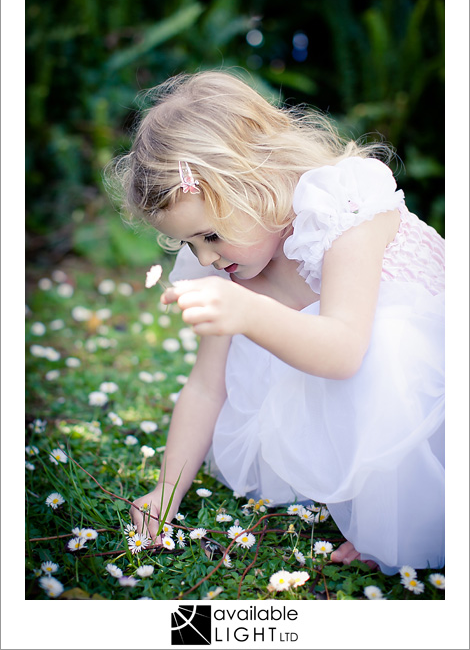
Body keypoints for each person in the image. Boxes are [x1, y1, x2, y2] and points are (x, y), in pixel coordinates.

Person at [108, 70, 444, 575]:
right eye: (189, 244)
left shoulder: (344, 207)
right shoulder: (229, 264)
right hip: (364, 380)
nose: (206, 257)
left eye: (211, 235)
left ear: (255, 185)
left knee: (387, 344)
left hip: (440, 388)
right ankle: (376, 498)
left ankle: (413, 510)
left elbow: (347, 352)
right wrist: (165, 490)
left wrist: (250, 312)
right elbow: (207, 387)